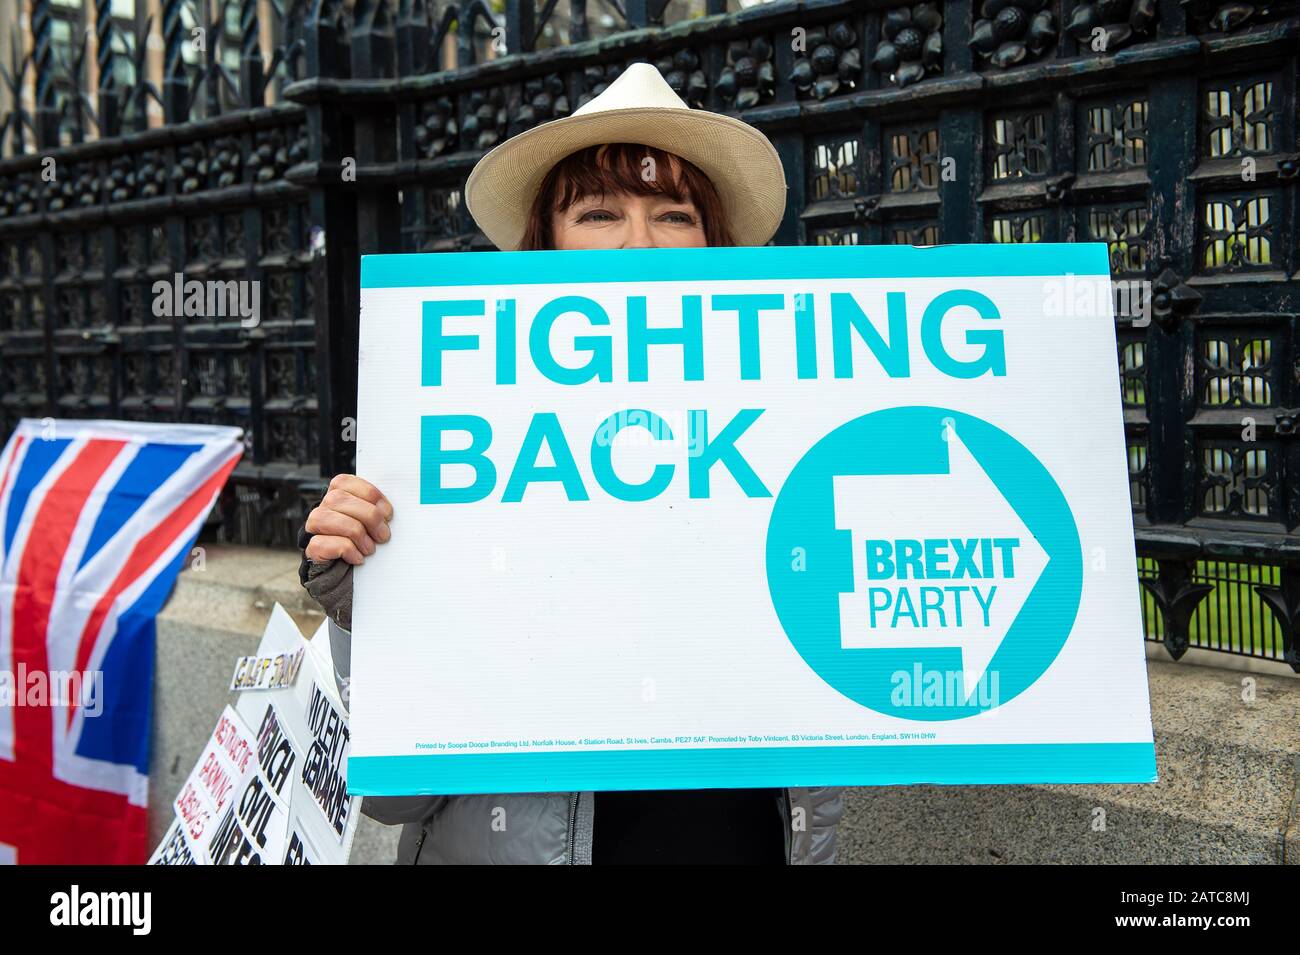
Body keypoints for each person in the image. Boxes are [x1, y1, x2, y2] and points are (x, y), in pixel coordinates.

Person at [298, 62, 845, 864]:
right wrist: (364, 598)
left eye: (673, 214)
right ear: (543, 245)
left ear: (712, 244)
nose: (639, 245)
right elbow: (392, 795)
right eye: (598, 211)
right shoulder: (452, 439)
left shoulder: (800, 431)